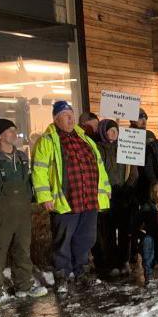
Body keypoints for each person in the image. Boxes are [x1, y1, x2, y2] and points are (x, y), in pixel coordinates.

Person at [33, 101, 111, 293]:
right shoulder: (48, 140)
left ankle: (81, 273)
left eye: (72, 114)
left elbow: (99, 166)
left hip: (89, 200)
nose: (71, 118)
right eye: (66, 115)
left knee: (85, 239)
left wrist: (105, 189)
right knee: (63, 241)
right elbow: (39, 171)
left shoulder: (85, 139)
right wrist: (45, 197)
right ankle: (62, 276)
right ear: (56, 118)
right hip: (66, 200)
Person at [0, 118, 47, 308]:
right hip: (0, 214)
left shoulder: (21, 156)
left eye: (15, 130)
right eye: (11, 131)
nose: (15, 134)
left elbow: (29, 181)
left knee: (23, 249)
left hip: (22, 211)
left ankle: (24, 286)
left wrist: (30, 199)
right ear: (0, 135)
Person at [94, 119, 140, 277]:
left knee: (125, 230)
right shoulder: (97, 148)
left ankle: (123, 261)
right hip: (106, 195)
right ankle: (111, 262)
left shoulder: (125, 146)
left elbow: (133, 171)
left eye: (116, 130)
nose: (114, 133)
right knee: (108, 232)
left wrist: (128, 187)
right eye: (110, 130)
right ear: (103, 132)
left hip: (123, 194)